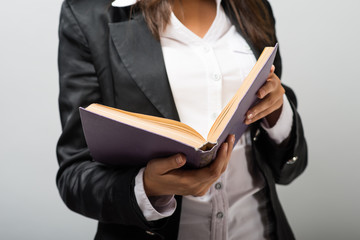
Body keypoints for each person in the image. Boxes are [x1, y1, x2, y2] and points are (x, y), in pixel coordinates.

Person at [56, 0, 307, 239]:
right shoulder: (88, 14)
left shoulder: (254, 6)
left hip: (259, 230)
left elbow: (290, 168)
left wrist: (276, 112)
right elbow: (74, 174)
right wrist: (145, 187)